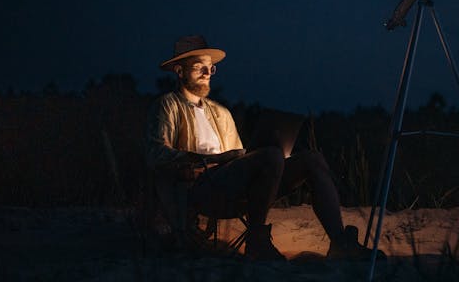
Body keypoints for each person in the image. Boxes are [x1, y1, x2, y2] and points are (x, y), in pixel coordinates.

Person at [146, 35, 381, 261]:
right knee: (270, 155)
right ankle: (257, 241)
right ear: (180, 71)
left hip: (236, 184)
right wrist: (209, 159)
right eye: (200, 67)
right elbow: (157, 153)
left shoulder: (220, 113)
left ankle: (340, 242)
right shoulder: (168, 106)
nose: (208, 74)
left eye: (211, 68)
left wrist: (241, 156)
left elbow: (237, 157)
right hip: (201, 189)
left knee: (311, 159)